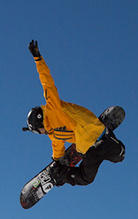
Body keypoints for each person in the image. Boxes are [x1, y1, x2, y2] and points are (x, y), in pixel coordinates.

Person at [25, 40, 124, 187]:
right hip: (93, 149)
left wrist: (38, 59)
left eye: (39, 131)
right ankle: (60, 173)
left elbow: (47, 82)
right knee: (88, 177)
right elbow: (58, 149)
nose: (42, 133)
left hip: (97, 138)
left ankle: (60, 173)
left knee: (120, 155)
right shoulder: (54, 135)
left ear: (39, 121)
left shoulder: (53, 107)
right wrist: (56, 160)